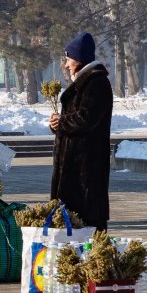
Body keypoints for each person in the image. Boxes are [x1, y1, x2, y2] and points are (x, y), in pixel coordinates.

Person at [49, 32, 113, 231]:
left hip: (86, 166)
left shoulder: (96, 82)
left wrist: (63, 122)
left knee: (88, 222)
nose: (66, 65)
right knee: (72, 221)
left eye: (68, 59)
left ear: (78, 59)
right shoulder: (83, 82)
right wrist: (56, 124)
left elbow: (87, 118)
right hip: (74, 165)